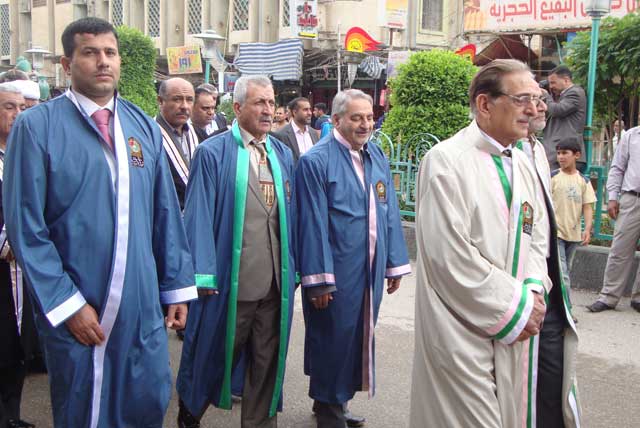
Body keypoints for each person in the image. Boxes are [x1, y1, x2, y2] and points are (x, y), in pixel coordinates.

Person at [2, 17, 197, 427]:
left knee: (147, 398)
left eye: (110, 52)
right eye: (90, 53)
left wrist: (176, 286)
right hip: (81, 305)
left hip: (140, 303)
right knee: (85, 408)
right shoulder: (37, 128)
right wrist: (67, 304)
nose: (103, 61)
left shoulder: (142, 127)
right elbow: (26, 228)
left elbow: (165, 214)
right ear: (66, 63)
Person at [410, 59, 554, 427]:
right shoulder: (447, 161)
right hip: (461, 329)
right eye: (521, 99)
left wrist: (533, 289)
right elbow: (449, 258)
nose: (533, 109)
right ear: (485, 104)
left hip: (516, 321)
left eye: (537, 98)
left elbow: (537, 236)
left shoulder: (522, 162)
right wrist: (517, 306)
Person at [176, 75, 296, 428]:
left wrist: (297, 268)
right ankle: (191, 410)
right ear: (239, 107)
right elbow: (197, 215)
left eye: (271, 103)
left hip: (274, 283)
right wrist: (202, 274)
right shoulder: (213, 153)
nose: (268, 110)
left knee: (267, 362)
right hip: (232, 280)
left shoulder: (282, 154)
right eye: (260, 103)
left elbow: (292, 215)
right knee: (213, 355)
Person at [295, 89, 411, 428]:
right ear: (336, 120)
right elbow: (311, 223)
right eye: (356, 118)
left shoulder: (375, 155)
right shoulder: (315, 162)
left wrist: (393, 262)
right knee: (332, 337)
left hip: (369, 268)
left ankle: (335, 401)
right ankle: (329, 412)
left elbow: (389, 211)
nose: (365, 125)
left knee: (357, 336)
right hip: (336, 270)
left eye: (370, 117)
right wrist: (319, 280)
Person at [521, 100, 582, 427]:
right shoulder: (497, 157)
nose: (541, 106)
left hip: (548, 282)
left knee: (552, 379)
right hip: (520, 291)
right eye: (529, 98)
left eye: (541, 97)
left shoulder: (538, 152)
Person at [0, 83, 35, 428]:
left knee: (18, 343)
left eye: (22, 108)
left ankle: (11, 413)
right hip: (4, 262)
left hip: (23, 268)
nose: (17, 114)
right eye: (9, 107)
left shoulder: (25, 153)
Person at [587, 125, 640, 313]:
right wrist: (612, 197)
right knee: (620, 249)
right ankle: (608, 297)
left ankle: (638, 298)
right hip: (632, 198)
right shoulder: (631, 136)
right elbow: (617, 167)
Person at [551, 139, 596, 295]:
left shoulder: (583, 181)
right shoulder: (553, 177)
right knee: (562, 273)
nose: (561, 157)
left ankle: (555, 303)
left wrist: (587, 229)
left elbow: (587, 206)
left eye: (565, 153)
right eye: (558, 153)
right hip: (556, 233)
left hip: (574, 234)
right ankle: (567, 306)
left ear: (577, 155)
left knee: (566, 270)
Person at [156, 77, 199, 209]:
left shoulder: (196, 133)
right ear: (160, 101)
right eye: (177, 99)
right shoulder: (149, 136)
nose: (184, 106)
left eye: (189, 100)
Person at [542, 65, 587, 170]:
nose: (551, 87)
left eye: (553, 83)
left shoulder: (575, 93)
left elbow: (557, 110)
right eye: (549, 83)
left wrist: (546, 96)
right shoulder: (561, 96)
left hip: (566, 152)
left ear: (566, 80)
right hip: (558, 152)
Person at [271, 97, 319, 164]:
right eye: (305, 110)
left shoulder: (313, 133)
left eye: (310, 109)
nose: (309, 113)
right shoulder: (281, 135)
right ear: (295, 112)